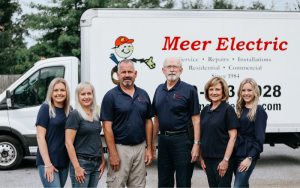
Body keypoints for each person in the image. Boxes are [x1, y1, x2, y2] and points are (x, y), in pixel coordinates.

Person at [100, 59, 153, 188]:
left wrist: (149, 149)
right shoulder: (110, 96)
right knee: (116, 185)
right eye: (123, 72)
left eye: (130, 71)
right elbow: (107, 127)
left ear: (135, 73)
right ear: (118, 75)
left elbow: (148, 122)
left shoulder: (143, 94)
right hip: (120, 148)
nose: (127, 75)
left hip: (140, 148)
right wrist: (113, 154)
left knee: (138, 185)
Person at [152, 57, 200, 188]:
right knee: (164, 181)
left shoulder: (189, 90)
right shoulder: (159, 90)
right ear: (163, 70)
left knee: (183, 181)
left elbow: (196, 119)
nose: (172, 69)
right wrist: (151, 143)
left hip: (183, 140)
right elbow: (156, 118)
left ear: (181, 70)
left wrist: (196, 144)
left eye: (175, 67)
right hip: (163, 140)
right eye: (168, 66)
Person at [200, 77, 239, 188]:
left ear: (223, 92)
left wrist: (225, 160)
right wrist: (201, 157)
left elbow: (233, 136)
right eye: (211, 89)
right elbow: (203, 135)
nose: (214, 92)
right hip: (208, 159)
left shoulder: (228, 110)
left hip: (221, 159)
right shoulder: (205, 110)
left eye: (217, 89)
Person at [65, 82, 105, 188]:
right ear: (78, 96)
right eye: (83, 94)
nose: (86, 97)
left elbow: (97, 138)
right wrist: (77, 167)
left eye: (89, 93)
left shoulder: (96, 115)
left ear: (93, 95)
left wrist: (103, 160)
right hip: (82, 163)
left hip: (96, 164)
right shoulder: (75, 115)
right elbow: (68, 143)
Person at [36, 77, 71, 188]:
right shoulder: (45, 109)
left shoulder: (69, 110)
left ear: (66, 92)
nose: (59, 93)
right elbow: (40, 138)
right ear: (51, 92)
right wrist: (48, 163)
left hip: (64, 160)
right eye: (56, 90)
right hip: (48, 160)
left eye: (62, 90)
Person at [233, 78, 267, 188]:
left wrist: (250, 158)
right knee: (243, 185)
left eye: (249, 90)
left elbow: (260, 138)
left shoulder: (259, 110)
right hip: (237, 151)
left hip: (247, 154)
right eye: (243, 90)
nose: (246, 93)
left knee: (238, 186)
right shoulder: (240, 108)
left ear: (255, 92)